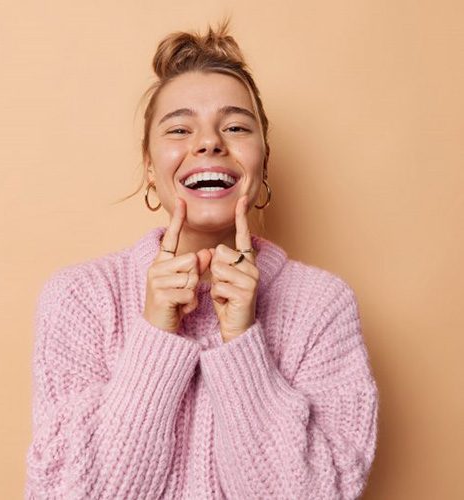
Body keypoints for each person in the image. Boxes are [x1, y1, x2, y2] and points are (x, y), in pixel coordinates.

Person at [25, 20, 379, 499]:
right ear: (150, 168)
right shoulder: (82, 297)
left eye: (235, 126)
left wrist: (242, 342)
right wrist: (153, 335)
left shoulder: (321, 305)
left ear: (263, 162)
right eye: (179, 128)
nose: (209, 143)